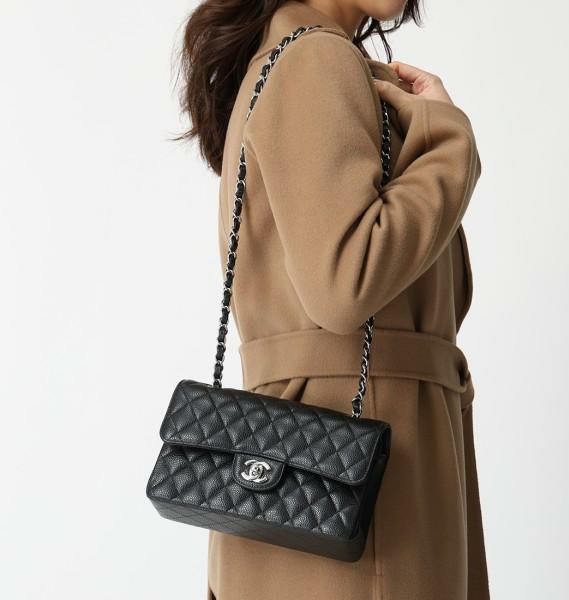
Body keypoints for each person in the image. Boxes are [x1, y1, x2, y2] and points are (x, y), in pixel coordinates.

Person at [174, 1, 489, 598]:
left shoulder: (298, 58)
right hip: (355, 489)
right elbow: (345, 283)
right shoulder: (314, 58)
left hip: (306, 482)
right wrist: (450, 141)